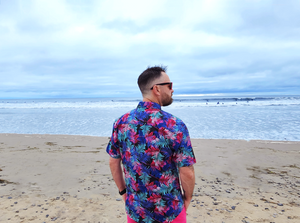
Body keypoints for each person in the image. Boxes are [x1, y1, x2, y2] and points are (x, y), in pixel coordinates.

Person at [106, 65, 196, 223]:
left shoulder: (121, 123)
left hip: (136, 210)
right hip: (170, 212)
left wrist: (123, 193)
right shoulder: (175, 125)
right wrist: (187, 199)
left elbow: (114, 161)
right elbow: (186, 170)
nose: (172, 90)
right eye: (169, 85)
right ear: (157, 89)